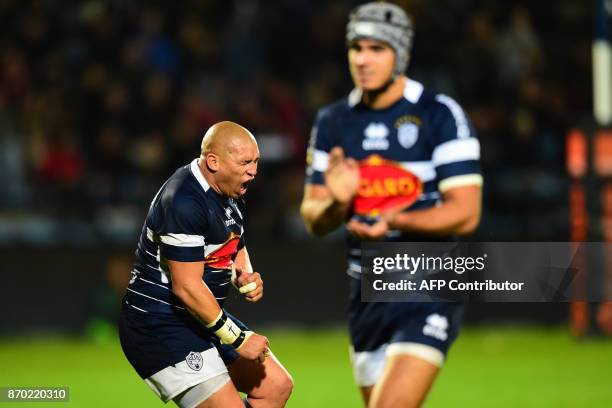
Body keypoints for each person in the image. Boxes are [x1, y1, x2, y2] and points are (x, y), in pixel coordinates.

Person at [300, 3, 482, 407]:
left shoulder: (439, 114)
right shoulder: (333, 122)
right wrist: (337, 202)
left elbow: (467, 212)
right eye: (356, 48)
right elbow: (313, 218)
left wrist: (394, 219)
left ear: (400, 54)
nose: (363, 59)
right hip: (366, 289)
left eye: (377, 48)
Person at [119, 121, 293, 408]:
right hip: (159, 324)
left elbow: (234, 240)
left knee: (275, 386)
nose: (254, 170)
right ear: (213, 161)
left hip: (198, 317)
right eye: (245, 162)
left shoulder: (230, 188)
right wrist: (237, 339)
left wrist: (243, 272)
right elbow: (186, 287)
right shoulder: (183, 201)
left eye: (256, 161)